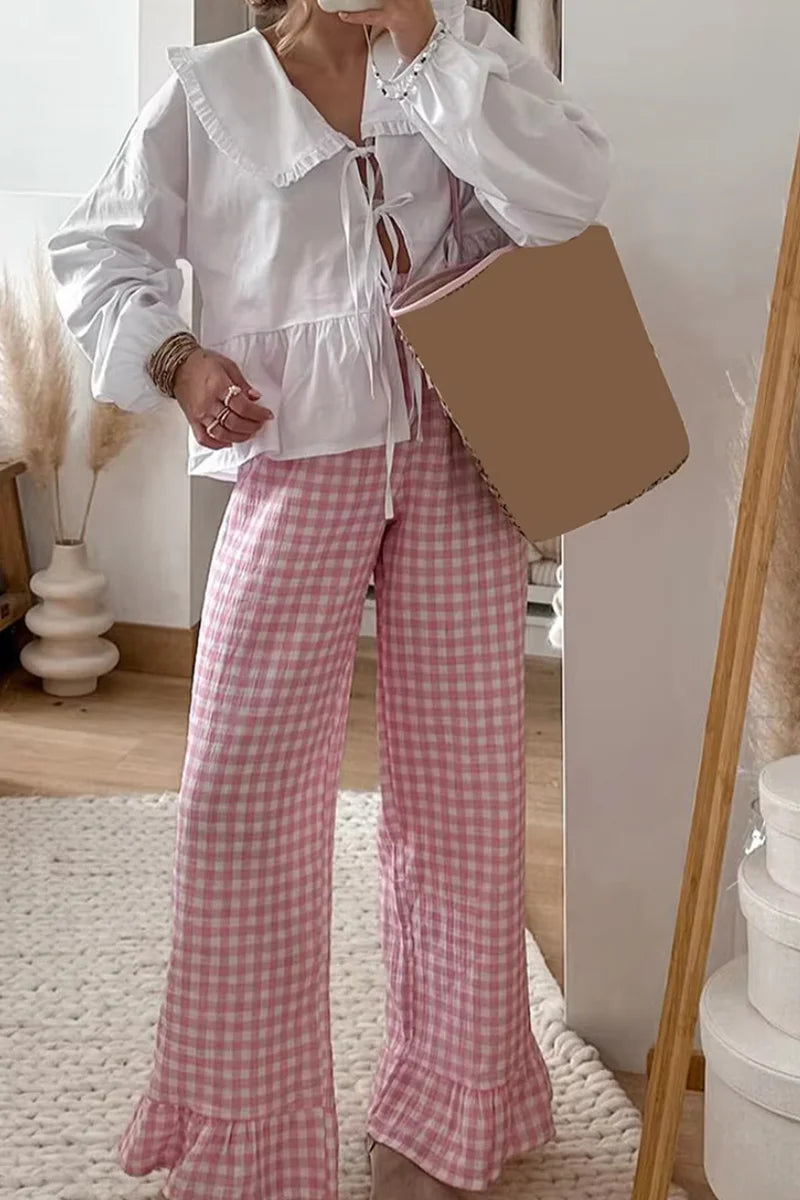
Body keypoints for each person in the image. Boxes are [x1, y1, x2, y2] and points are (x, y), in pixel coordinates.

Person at [48, 1, 612, 1196]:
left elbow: (566, 197)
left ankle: (448, 1112)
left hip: (464, 439)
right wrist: (179, 361)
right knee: (239, 787)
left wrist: (431, 47)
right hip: (294, 453)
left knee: (463, 793)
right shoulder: (209, 92)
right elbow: (97, 250)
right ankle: (248, 1134)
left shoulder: (460, 50)